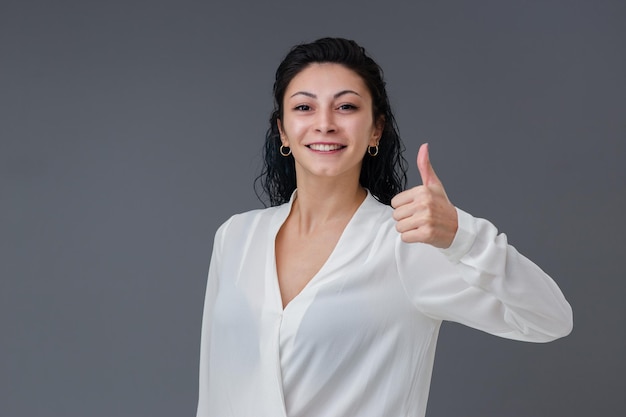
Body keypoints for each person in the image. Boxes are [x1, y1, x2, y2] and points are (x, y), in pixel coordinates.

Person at [195, 37, 572, 417]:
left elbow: (550, 319)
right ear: (283, 131)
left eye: (345, 107)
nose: (324, 123)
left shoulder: (407, 245)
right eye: (304, 107)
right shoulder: (236, 237)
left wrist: (462, 237)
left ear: (376, 130)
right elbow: (215, 389)